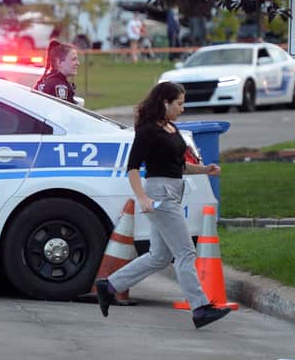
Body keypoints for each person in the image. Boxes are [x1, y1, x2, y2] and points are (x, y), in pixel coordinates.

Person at [95, 81, 230, 330]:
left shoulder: (171, 128)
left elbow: (178, 165)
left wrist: (204, 170)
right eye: (179, 103)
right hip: (160, 193)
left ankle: (109, 285)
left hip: (173, 190)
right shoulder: (147, 130)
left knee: (159, 256)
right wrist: (143, 198)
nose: (183, 108)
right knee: (186, 252)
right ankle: (200, 308)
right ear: (165, 103)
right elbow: (133, 168)